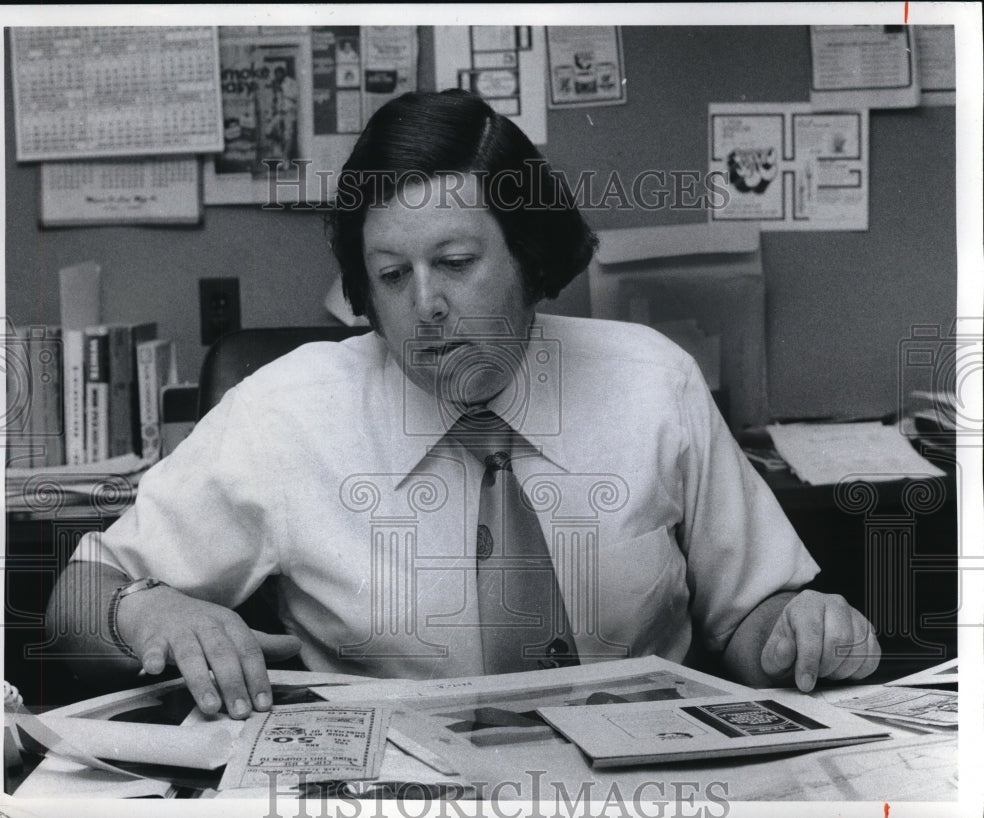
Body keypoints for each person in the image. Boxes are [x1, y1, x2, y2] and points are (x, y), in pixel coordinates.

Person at [48, 89, 880, 721]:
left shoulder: (651, 383)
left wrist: (798, 630)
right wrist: (144, 607)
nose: (427, 307)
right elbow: (77, 598)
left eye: (454, 261)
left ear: (528, 256)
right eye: (392, 276)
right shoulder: (285, 412)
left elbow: (749, 615)